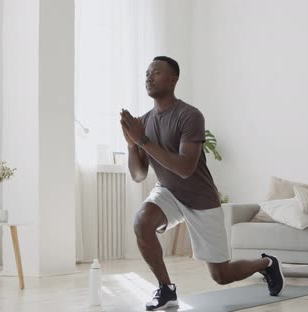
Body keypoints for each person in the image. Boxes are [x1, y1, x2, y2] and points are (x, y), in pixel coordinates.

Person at [119, 56, 284, 311]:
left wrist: (143, 141)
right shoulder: (145, 121)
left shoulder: (190, 115)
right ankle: (166, 289)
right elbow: (139, 175)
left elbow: (186, 168)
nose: (149, 77)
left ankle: (267, 264)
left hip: (200, 199)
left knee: (222, 275)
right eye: (147, 73)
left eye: (156, 72)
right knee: (142, 221)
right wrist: (132, 145)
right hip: (168, 192)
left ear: (173, 79)